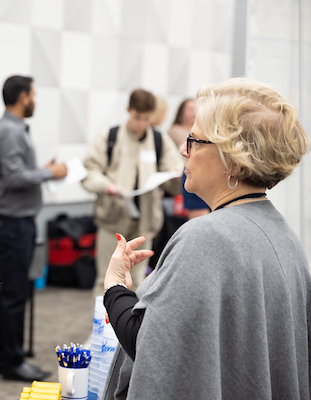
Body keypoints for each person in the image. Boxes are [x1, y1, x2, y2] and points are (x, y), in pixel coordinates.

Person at [102, 78, 311, 400]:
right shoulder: (283, 235)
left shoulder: (205, 238)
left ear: (233, 160)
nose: (184, 150)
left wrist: (115, 286)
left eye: (194, 140)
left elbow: (151, 349)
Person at [0, 75, 67, 381]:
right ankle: (12, 362)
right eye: (33, 94)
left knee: (12, 294)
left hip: (14, 223)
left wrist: (42, 172)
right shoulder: (9, 131)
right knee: (14, 295)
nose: (35, 100)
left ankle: (1, 356)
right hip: (13, 224)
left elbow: (18, 173)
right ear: (23, 97)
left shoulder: (12, 129)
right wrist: (49, 172)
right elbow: (14, 177)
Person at [81, 89, 183, 293]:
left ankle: (131, 325)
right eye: (137, 118)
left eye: (147, 119)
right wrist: (107, 186)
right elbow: (89, 172)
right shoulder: (109, 136)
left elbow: (177, 175)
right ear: (128, 110)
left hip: (145, 223)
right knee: (106, 280)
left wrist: (174, 176)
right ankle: (102, 325)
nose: (141, 124)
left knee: (138, 283)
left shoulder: (158, 139)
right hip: (113, 221)